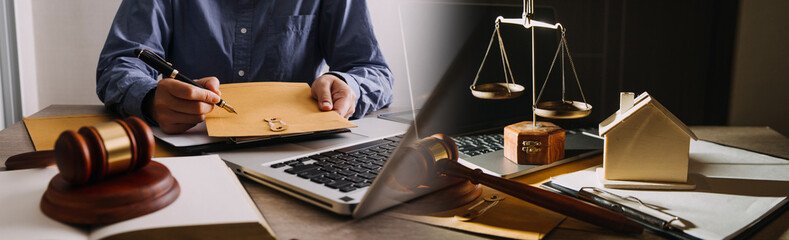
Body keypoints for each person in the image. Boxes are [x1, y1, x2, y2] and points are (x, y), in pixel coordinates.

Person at [97, 0, 393, 133]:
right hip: (190, 149)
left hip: (298, 153)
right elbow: (120, 62)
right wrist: (150, 98)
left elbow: (373, 70)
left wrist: (348, 85)